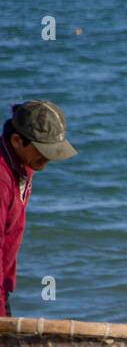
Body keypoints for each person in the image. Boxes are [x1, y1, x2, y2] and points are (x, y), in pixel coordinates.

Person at [1, 100, 77, 317]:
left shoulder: (23, 164)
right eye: (43, 151)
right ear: (17, 140)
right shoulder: (2, 180)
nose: (49, 158)